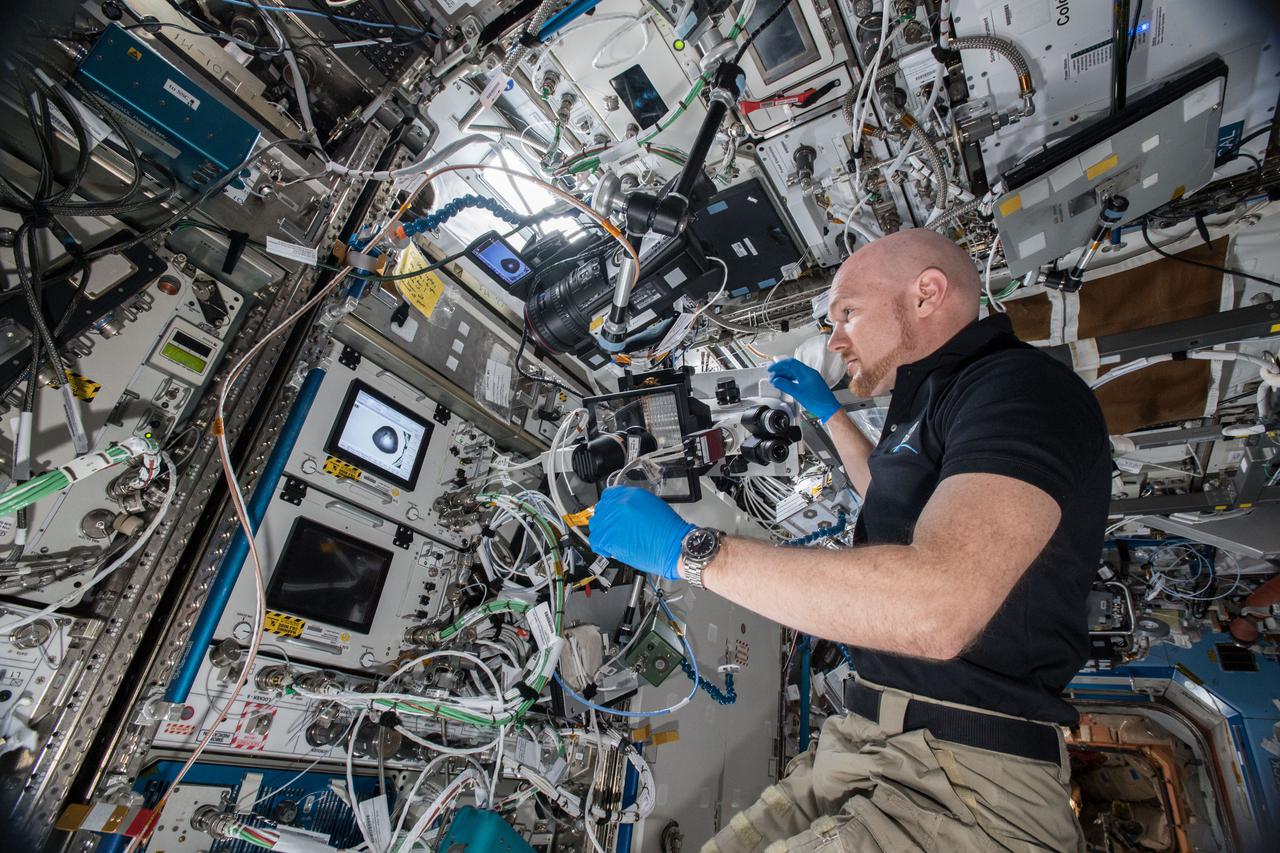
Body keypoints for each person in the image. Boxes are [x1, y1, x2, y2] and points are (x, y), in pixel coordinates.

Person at [588, 229, 1111, 852]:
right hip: (873, 740)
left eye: (848, 314)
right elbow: (892, 500)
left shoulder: (1021, 390)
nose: (835, 340)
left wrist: (693, 554)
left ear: (927, 294)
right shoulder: (932, 396)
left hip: (968, 785)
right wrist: (830, 414)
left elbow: (936, 608)